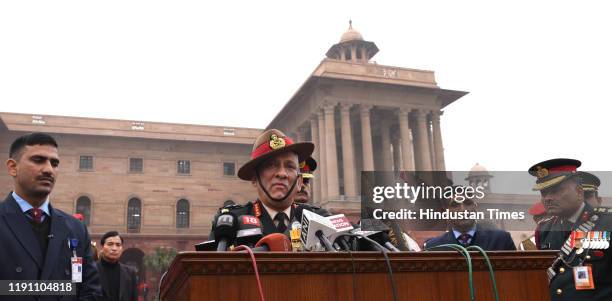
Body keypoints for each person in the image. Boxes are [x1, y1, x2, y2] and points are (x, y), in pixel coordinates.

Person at [0, 132, 102, 300]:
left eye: (54, 163)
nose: (49, 169)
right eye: (38, 160)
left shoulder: (76, 229)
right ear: (13, 167)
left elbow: (90, 291)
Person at [209, 129, 330, 240]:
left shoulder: (321, 219)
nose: (282, 174)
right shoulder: (230, 223)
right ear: (255, 179)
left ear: (299, 182)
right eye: (271, 165)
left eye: (290, 166)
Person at [530, 158, 612, 300]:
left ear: (579, 192)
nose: (548, 198)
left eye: (555, 191)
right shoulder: (544, 229)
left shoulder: (607, 222)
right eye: (544, 193)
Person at [424, 188, 516, 251]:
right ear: (445, 213)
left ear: (475, 208)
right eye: (455, 205)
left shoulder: (501, 240)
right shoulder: (433, 247)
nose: (463, 210)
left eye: (468, 203)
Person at [96, 231, 138, 301]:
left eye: (118, 245)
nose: (114, 248)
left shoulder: (130, 273)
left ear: (122, 249)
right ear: (102, 247)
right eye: (110, 244)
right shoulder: (90, 270)